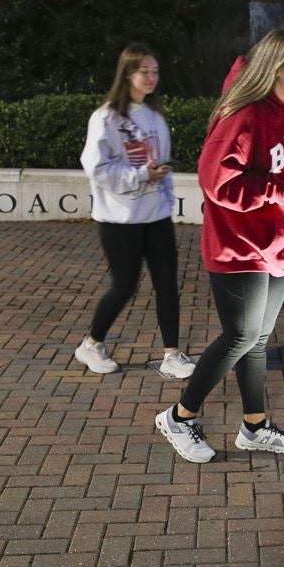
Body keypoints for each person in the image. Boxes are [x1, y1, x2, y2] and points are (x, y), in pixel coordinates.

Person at [155, 29, 284, 463]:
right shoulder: (245, 114)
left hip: (279, 243)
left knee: (257, 339)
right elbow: (216, 180)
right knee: (240, 335)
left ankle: (255, 426)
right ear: (275, 68)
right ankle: (179, 417)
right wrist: (276, 191)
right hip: (239, 245)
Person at [75, 43, 196, 380]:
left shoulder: (156, 116)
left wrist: (163, 190)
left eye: (155, 71)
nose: (151, 77)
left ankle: (172, 354)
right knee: (124, 285)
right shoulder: (106, 118)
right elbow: (97, 169)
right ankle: (91, 343)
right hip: (120, 220)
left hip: (156, 216)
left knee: (167, 284)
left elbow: (161, 162)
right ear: (127, 73)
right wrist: (143, 175)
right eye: (145, 71)